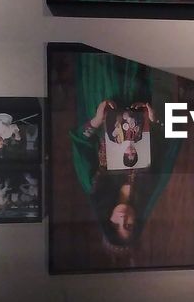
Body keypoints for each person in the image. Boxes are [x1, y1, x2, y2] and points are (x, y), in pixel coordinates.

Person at [69, 53, 182, 252]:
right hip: (143, 91)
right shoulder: (151, 186)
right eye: (129, 225)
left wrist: (96, 119)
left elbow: (80, 144)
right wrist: (155, 119)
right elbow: (172, 142)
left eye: (115, 225)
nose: (122, 219)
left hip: (105, 92)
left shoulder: (94, 187)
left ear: (107, 221)